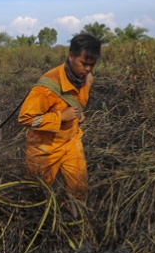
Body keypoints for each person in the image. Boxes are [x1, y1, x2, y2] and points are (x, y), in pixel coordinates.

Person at [18, 34, 101, 206]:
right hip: (43, 147)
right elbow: (25, 118)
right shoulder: (47, 86)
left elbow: (77, 102)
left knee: (79, 189)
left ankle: (75, 223)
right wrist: (60, 117)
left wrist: (79, 115)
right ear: (71, 56)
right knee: (37, 194)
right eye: (84, 63)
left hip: (71, 142)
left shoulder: (88, 79)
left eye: (91, 65)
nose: (87, 69)